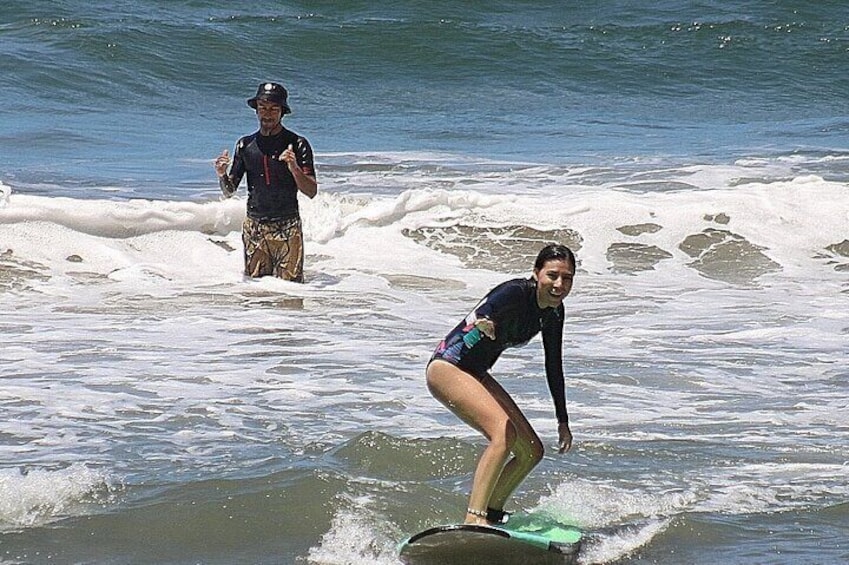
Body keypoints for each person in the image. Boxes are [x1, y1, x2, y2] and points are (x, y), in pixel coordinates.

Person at [426, 243, 576, 526]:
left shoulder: (554, 313)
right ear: (536, 273)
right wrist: (486, 322)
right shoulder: (516, 292)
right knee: (503, 434)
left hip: (476, 372)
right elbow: (488, 309)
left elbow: (553, 365)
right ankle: (475, 517)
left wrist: (562, 420)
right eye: (553, 275)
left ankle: (491, 512)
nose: (559, 284)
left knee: (531, 450)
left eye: (567, 278)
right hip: (447, 367)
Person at [214, 82, 318, 282]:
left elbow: (311, 191)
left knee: (291, 292)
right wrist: (221, 174)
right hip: (255, 227)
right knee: (257, 294)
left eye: (273, 109)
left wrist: (294, 168)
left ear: (282, 112)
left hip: (288, 226)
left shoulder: (297, 144)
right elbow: (229, 190)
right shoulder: (245, 145)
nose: (267, 114)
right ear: (256, 110)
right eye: (263, 108)